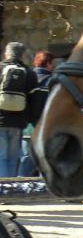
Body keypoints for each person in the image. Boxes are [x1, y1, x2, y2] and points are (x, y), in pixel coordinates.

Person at [0, 42, 42, 177]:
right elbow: (35, 101)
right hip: (18, 122)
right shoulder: (29, 73)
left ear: (6, 54)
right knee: (13, 157)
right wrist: (30, 120)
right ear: (22, 56)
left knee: (1, 155)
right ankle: (10, 187)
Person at [18, 49, 55, 177]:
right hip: (45, 127)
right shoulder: (52, 81)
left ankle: (18, 186)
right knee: (44, 159)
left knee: (26, 158)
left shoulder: (26, 76)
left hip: (26, 127)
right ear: (49, 63)